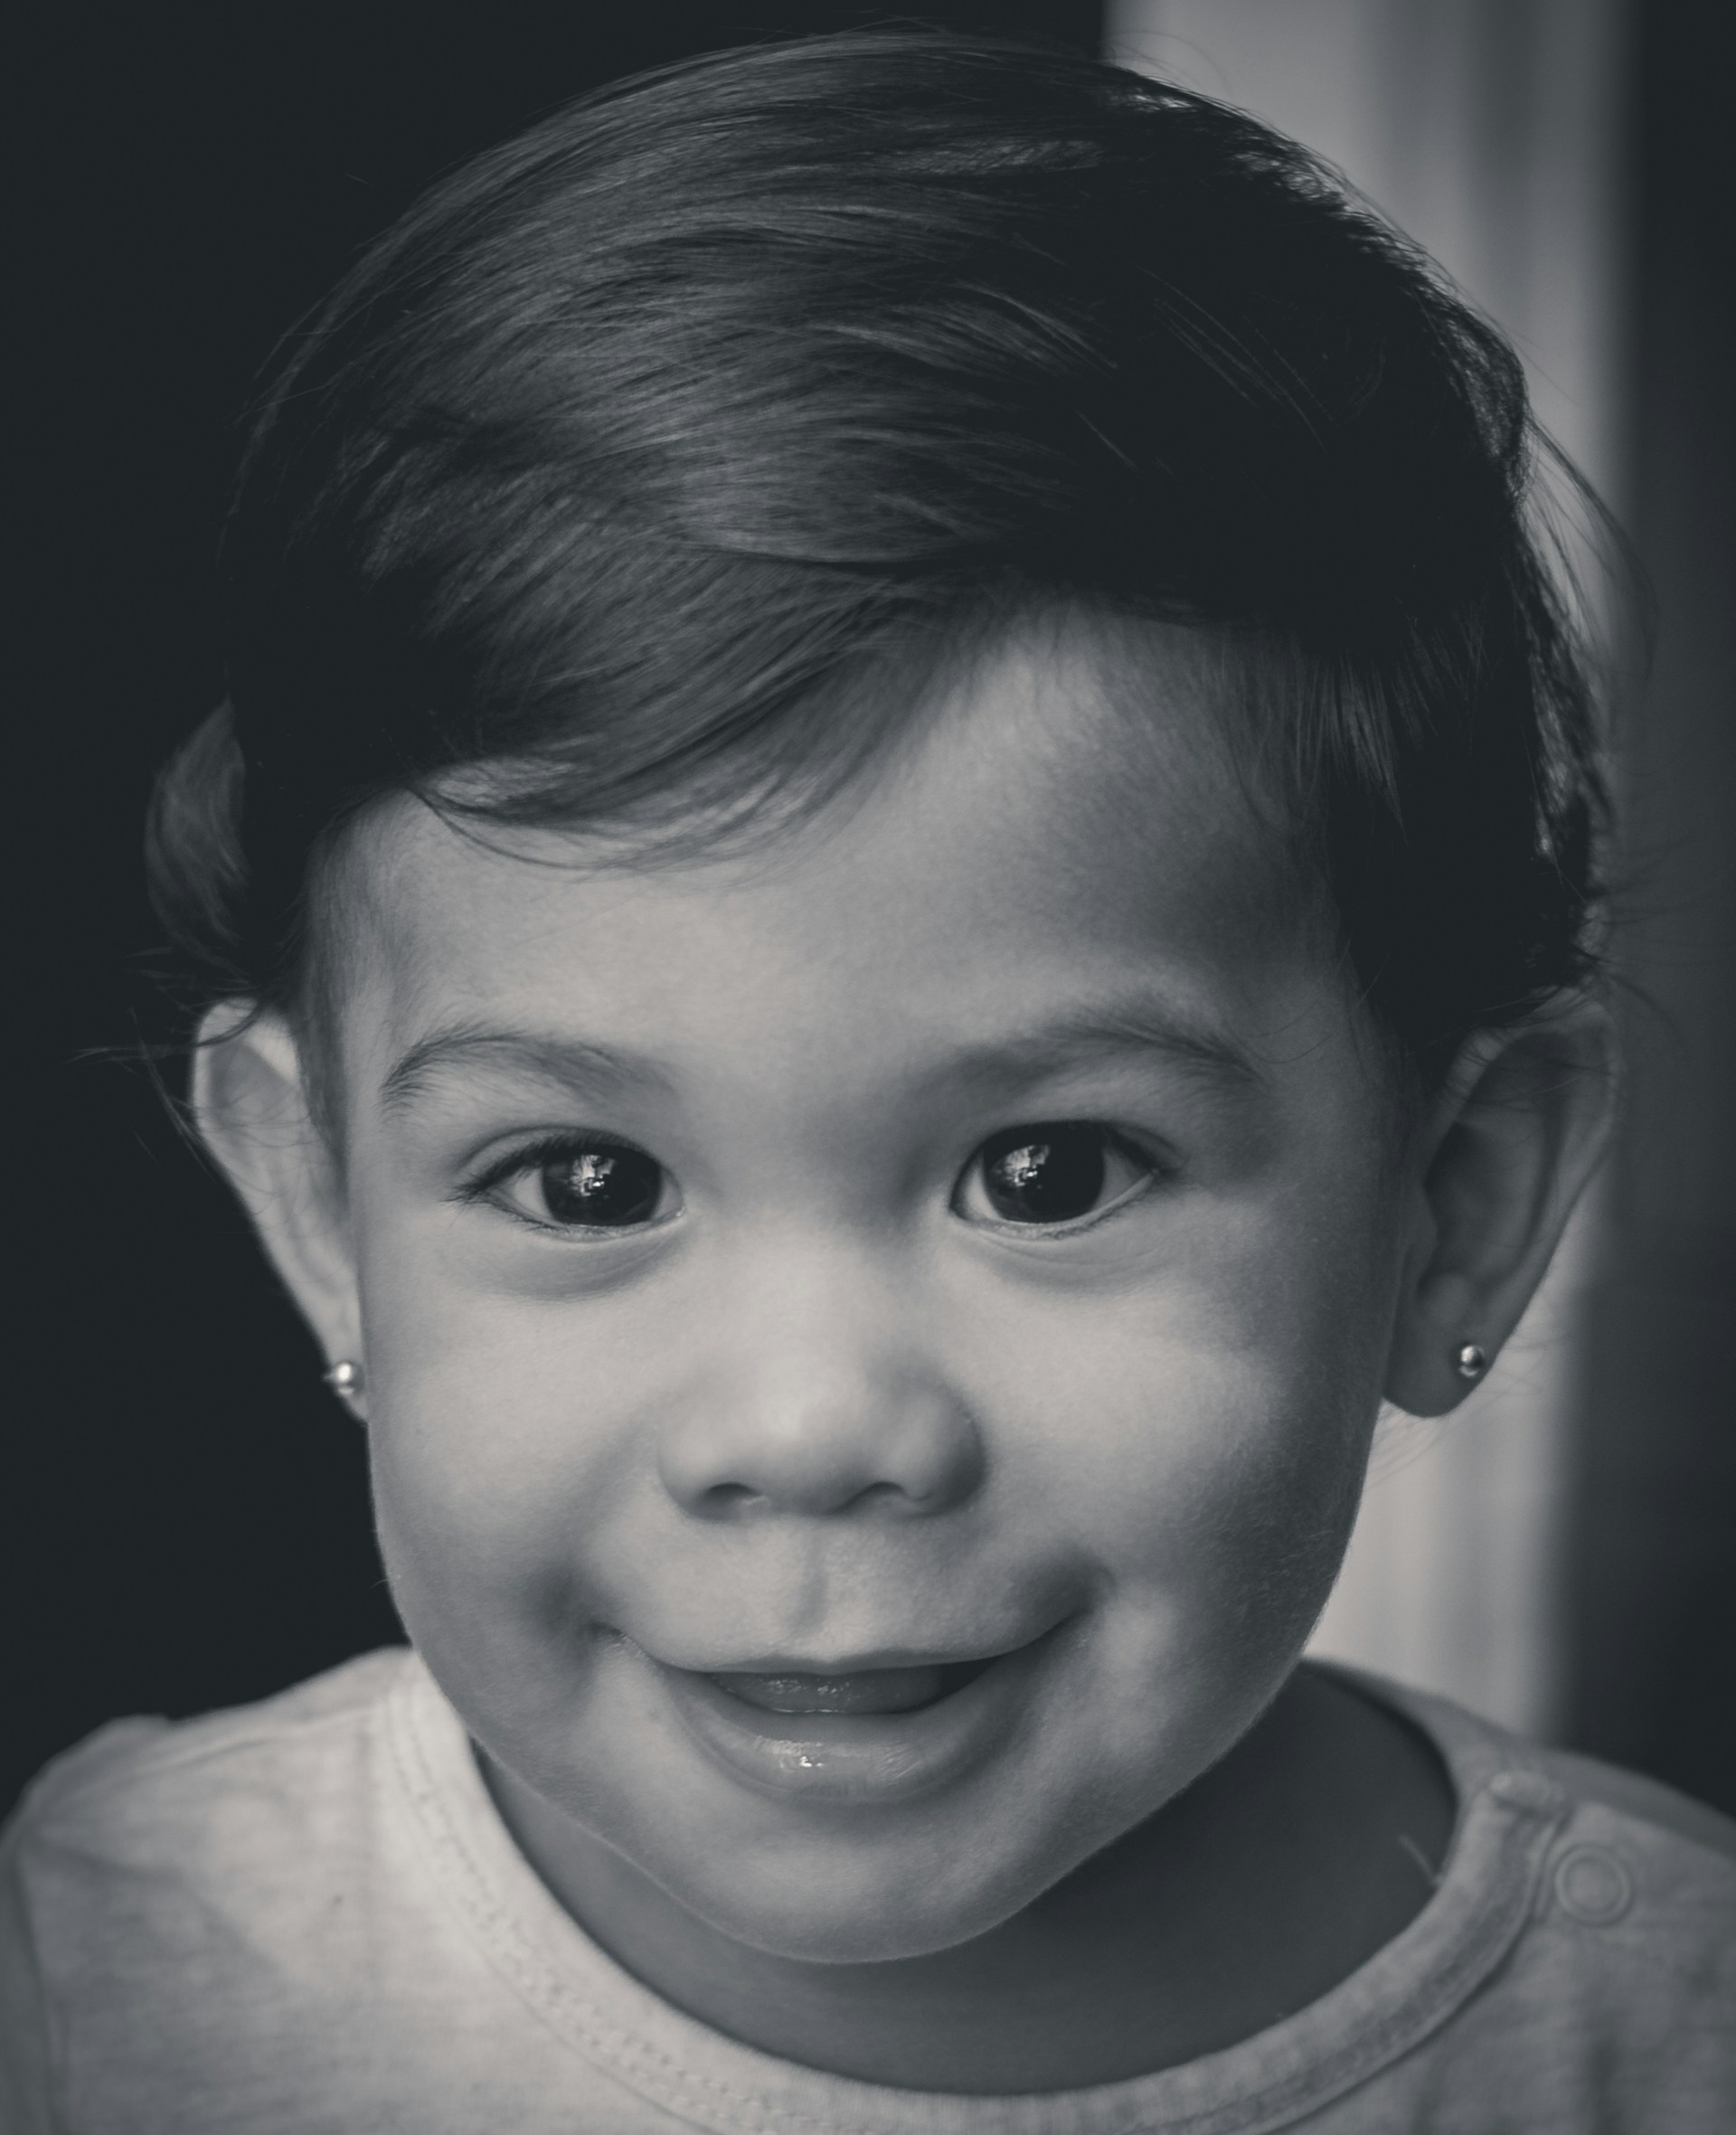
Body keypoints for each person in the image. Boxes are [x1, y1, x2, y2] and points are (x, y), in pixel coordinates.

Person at [3, 29, 1731, 2131]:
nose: (814, 1428)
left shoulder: (1671, 2039)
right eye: (582, 1181)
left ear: (1455, 1199)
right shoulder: (91, 1983)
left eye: (1050, 1167)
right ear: (319, 1205)